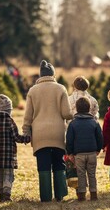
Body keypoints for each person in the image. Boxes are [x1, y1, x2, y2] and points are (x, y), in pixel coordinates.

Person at [23, 60, 73, 202]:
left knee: (43, 165)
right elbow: (66, 113)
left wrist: (26, 131)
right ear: (52, 74)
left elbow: (27, 116)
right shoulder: (61, 88)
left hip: (40, 134)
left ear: (41, 75)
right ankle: (60, 194)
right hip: (57, 132)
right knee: (59, 164)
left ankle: (45, 196)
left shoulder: (33, 91)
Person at [0, 94, 30, 202]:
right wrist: (26, 139)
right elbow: (16, 137)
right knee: (8, 173)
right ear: (8, 110)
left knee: (0, 172)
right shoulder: (10, 121)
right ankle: (6, 193)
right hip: (8, 153)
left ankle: (0, 192)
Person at [66, 97, 103, 201]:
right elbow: (100, 137)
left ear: (76, 109)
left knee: (81, 174)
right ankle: (93, 194)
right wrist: (98, 149)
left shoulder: (73, 123)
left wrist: (70, 153)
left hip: (79, 154)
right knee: (92, 174)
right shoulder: (94, 122)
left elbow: (69, 139)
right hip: (92, 153)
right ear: (89, 108)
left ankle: (82, 195)